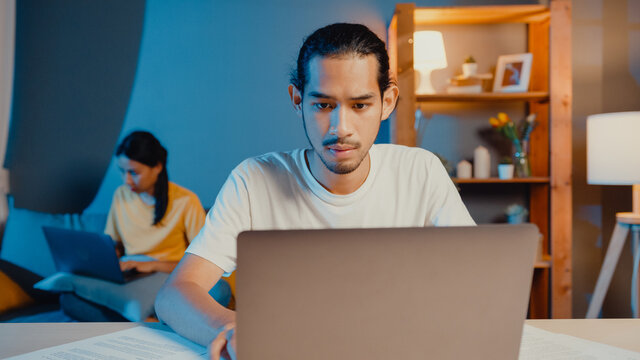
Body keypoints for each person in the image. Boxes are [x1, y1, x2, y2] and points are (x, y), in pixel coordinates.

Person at [155, 23, 475, 358]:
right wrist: (231, 327)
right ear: (297, 100)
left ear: (387, 102)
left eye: (360, 105)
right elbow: (174, 294)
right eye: (323, 105)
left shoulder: (420, 171)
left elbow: (474, 282)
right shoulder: (253, 180)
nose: (341, 128)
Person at [105, 130, 206, 274]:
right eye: (122, 171)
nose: (126, 180)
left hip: (167, 273)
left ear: (158, 167)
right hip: (131, 270)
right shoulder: (121, 194)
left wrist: (152, 265)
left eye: (134, 173)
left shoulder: (186, 201)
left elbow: (202, 262)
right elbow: (115, 243)